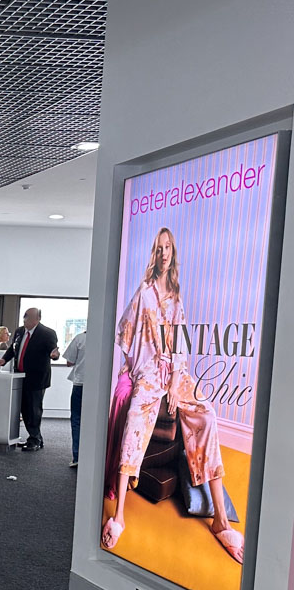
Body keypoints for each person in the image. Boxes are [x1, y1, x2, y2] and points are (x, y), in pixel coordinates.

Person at [102, 228, 242, 561]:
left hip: (175, 374)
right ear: (154, 254)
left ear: (173, 253)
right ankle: (119, 514)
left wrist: (178, 379)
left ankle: (221, 521)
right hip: (149, 373)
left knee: (206, 416)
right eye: (159, 248)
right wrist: (132, 368)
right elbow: (126, 332)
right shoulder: (144, 293)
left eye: (169, 248)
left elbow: (181, 344)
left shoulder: (177, 295)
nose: (164, 253)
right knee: (136, 422)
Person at [0, 308, 60, 452]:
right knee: (24, 409)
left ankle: (35, 439)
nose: (25, 319)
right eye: (24, 316)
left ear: (37, 318)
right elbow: (13, 349)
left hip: (37, 378)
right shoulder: (19, 331)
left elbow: (53, 352)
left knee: (34, 409)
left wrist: (54, 355)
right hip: (20, 377)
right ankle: (35, 437)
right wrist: (4, 360)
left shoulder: (47, 333)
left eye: (28, 317)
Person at [64, 330, 87, 468]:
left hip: (80, 383)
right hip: (99, 387)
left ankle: (77, 456)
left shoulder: (80, 338)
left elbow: (69, 362)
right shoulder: (106, 338)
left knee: (77, 420)